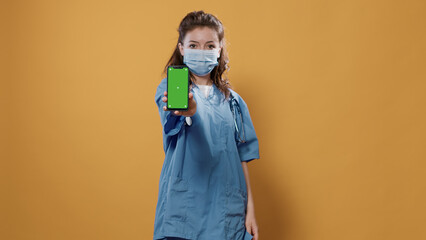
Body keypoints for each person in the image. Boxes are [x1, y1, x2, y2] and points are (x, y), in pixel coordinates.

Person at [153, 10, 260, 240]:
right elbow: (174, 121)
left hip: (226, 209)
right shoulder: (170, 89)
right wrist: (189, 112)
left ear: (219, 49)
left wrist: (250, 209)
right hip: (185, 210)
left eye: (210, 46)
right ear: (182, 49)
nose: (202, 51)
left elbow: (242, 156)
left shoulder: (233, 102)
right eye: (193, 45)